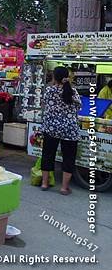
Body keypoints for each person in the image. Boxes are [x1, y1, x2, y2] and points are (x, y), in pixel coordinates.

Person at [40, 66, 82, 195]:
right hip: (69, 130)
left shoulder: (49, 90)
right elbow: (79, 106)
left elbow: (43, 105)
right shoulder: (72, 91)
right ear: (67, 77)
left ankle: (45, 183)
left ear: (54, 77)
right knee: (68, 158)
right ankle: (64, 188)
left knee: (47, 155)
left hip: (51, 128)